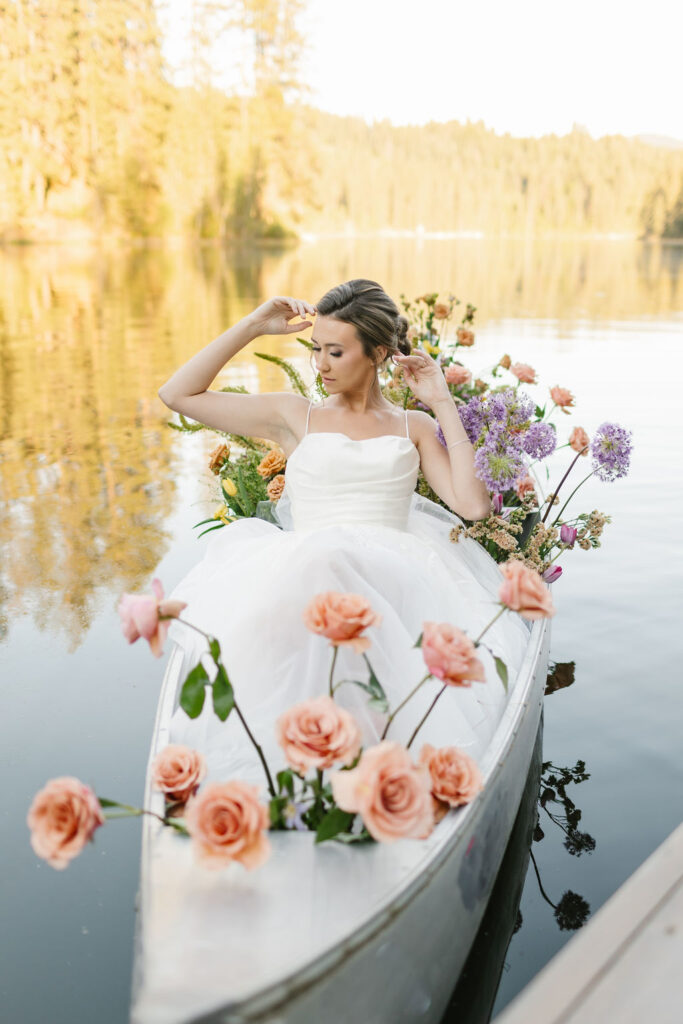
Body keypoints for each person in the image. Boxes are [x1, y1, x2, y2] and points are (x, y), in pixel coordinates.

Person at [157, 279, 529, 787]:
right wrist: (251, 326)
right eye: (316, 351)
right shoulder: (294, 416)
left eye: (335, 351)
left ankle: (376, 764)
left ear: (377, 353)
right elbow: (177, 394)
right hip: (305, 572)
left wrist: (442, 403)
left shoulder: (411, 427)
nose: (322, 365)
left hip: (395, 579)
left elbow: (471, 505)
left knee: (331, 559)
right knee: (323, 557)